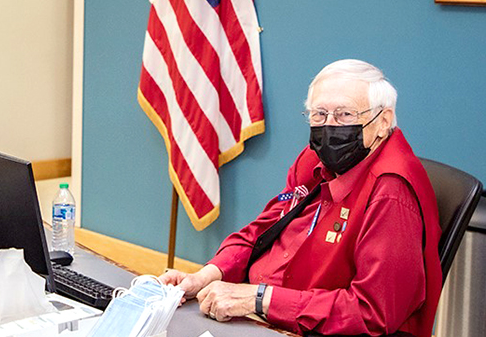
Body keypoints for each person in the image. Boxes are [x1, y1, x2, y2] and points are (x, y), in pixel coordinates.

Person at [161, 59, 442, 337]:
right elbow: (263, 230)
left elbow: (373, 313)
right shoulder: (313, 161)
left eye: (344, 115)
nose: (329, 126)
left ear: (383, 121)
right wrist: (206, 276)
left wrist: (260, 299)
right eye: (319, 114)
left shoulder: (391, 193)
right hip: (262, 314)